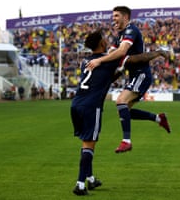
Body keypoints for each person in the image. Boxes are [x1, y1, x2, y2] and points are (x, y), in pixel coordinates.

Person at [71, 30, 170, 196]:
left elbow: (106, 78)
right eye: (104, 39)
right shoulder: (109, 60)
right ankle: (80, 184)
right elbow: (136, 59)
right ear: (101, 43)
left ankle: (90, 178)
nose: (106, 40)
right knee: (89, 145)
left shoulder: (86, 62)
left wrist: (119, 72)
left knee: (86, 143)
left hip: (76, 104)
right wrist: (157, 53)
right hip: (91, 106)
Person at [87, 6, 171, 153]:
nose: (114, 19)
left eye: (116, 16)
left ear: (125, 17)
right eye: (113, 16)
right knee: (124, 111)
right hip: (133, 75)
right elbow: (113, 56)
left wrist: (100, 62)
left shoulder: (131, 30)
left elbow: (121, 52)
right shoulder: (119, 36)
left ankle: (126, 141)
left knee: (120, 101)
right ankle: (159, 118)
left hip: (141, 74)